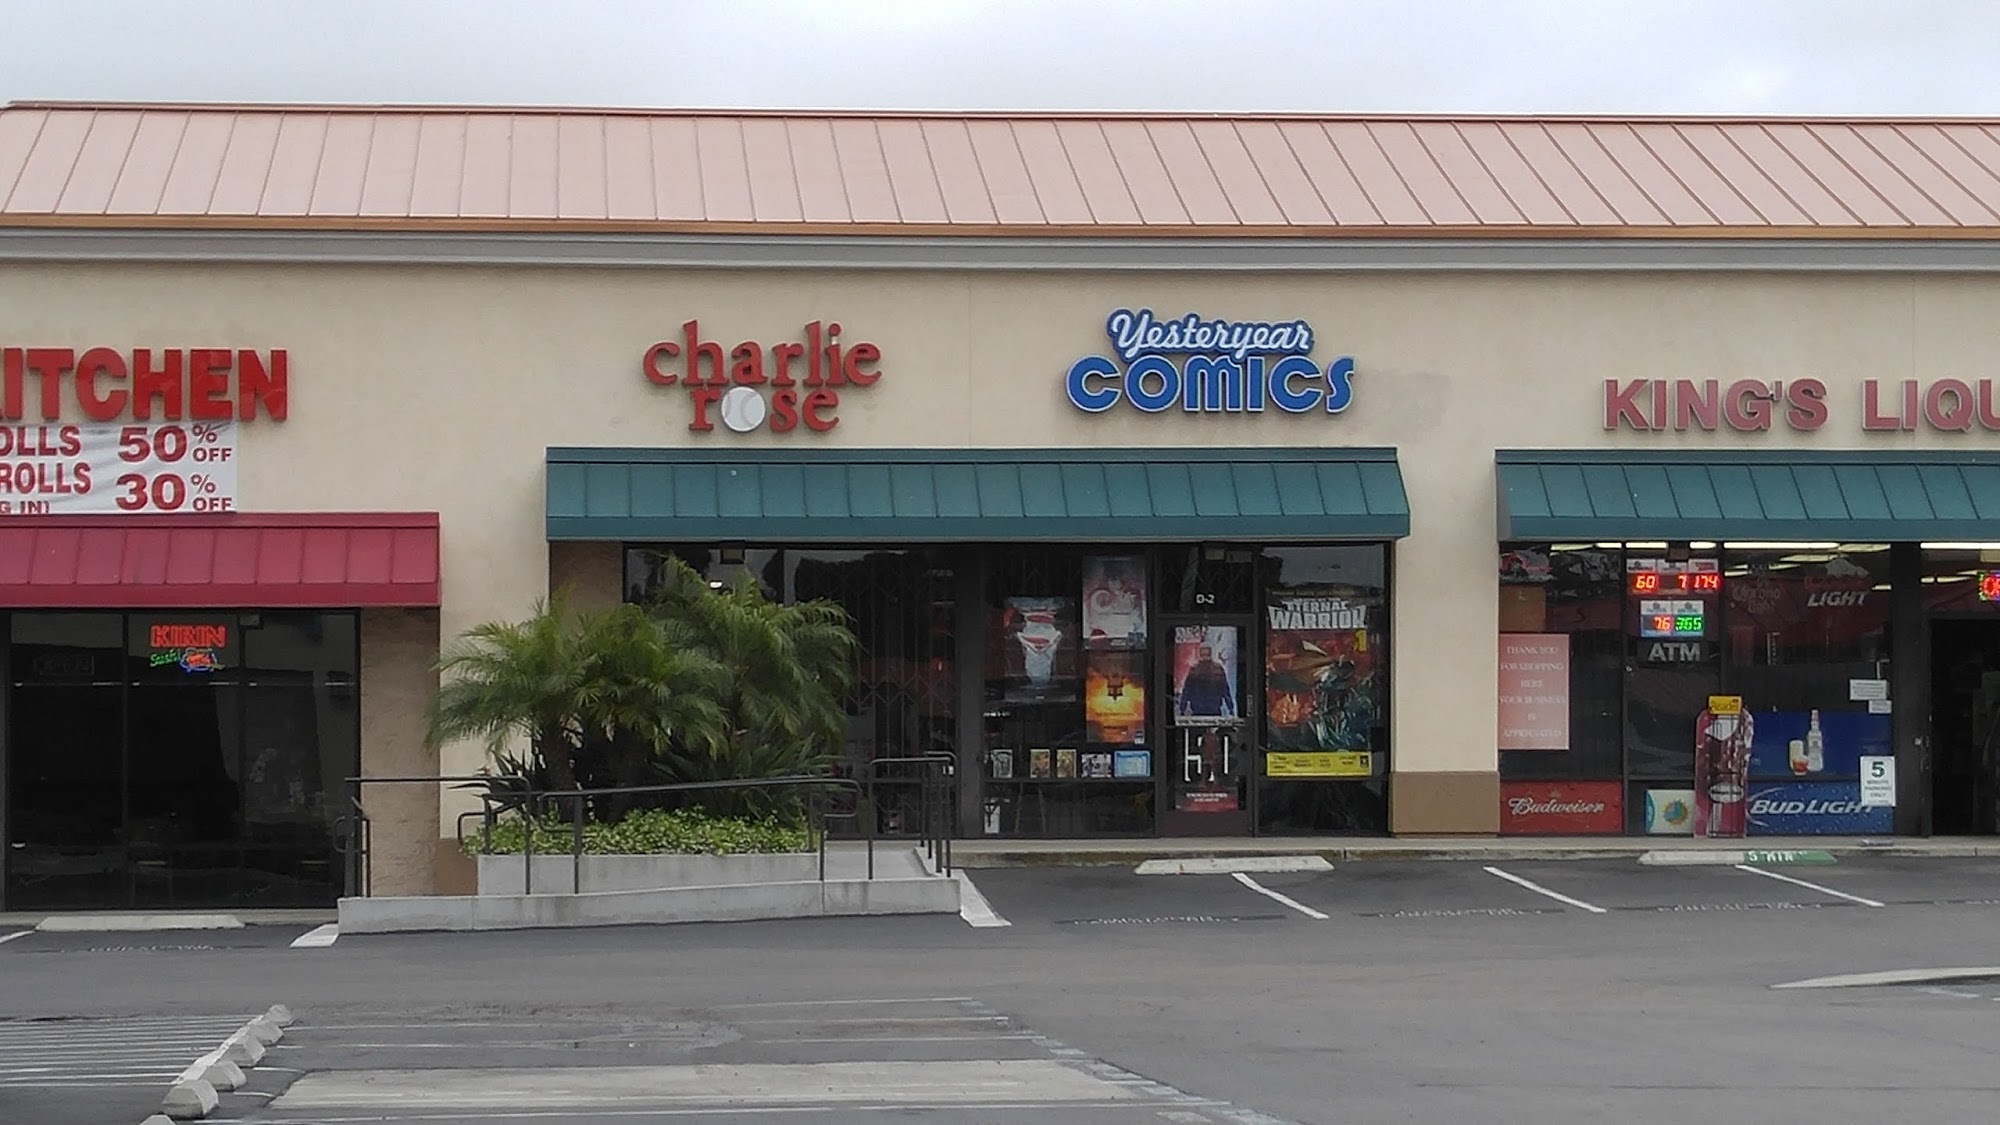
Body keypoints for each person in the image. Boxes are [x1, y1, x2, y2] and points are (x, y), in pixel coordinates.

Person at [1178, 642, 1235, 719]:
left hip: (1197, 710)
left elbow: (1186, 691)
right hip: (1214, 710)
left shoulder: (1194, 670)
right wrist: (1230, 708)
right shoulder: (1218, 669)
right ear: (1210, 653)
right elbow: (1225, 691)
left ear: (1199, 653)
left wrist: (1182, 709)